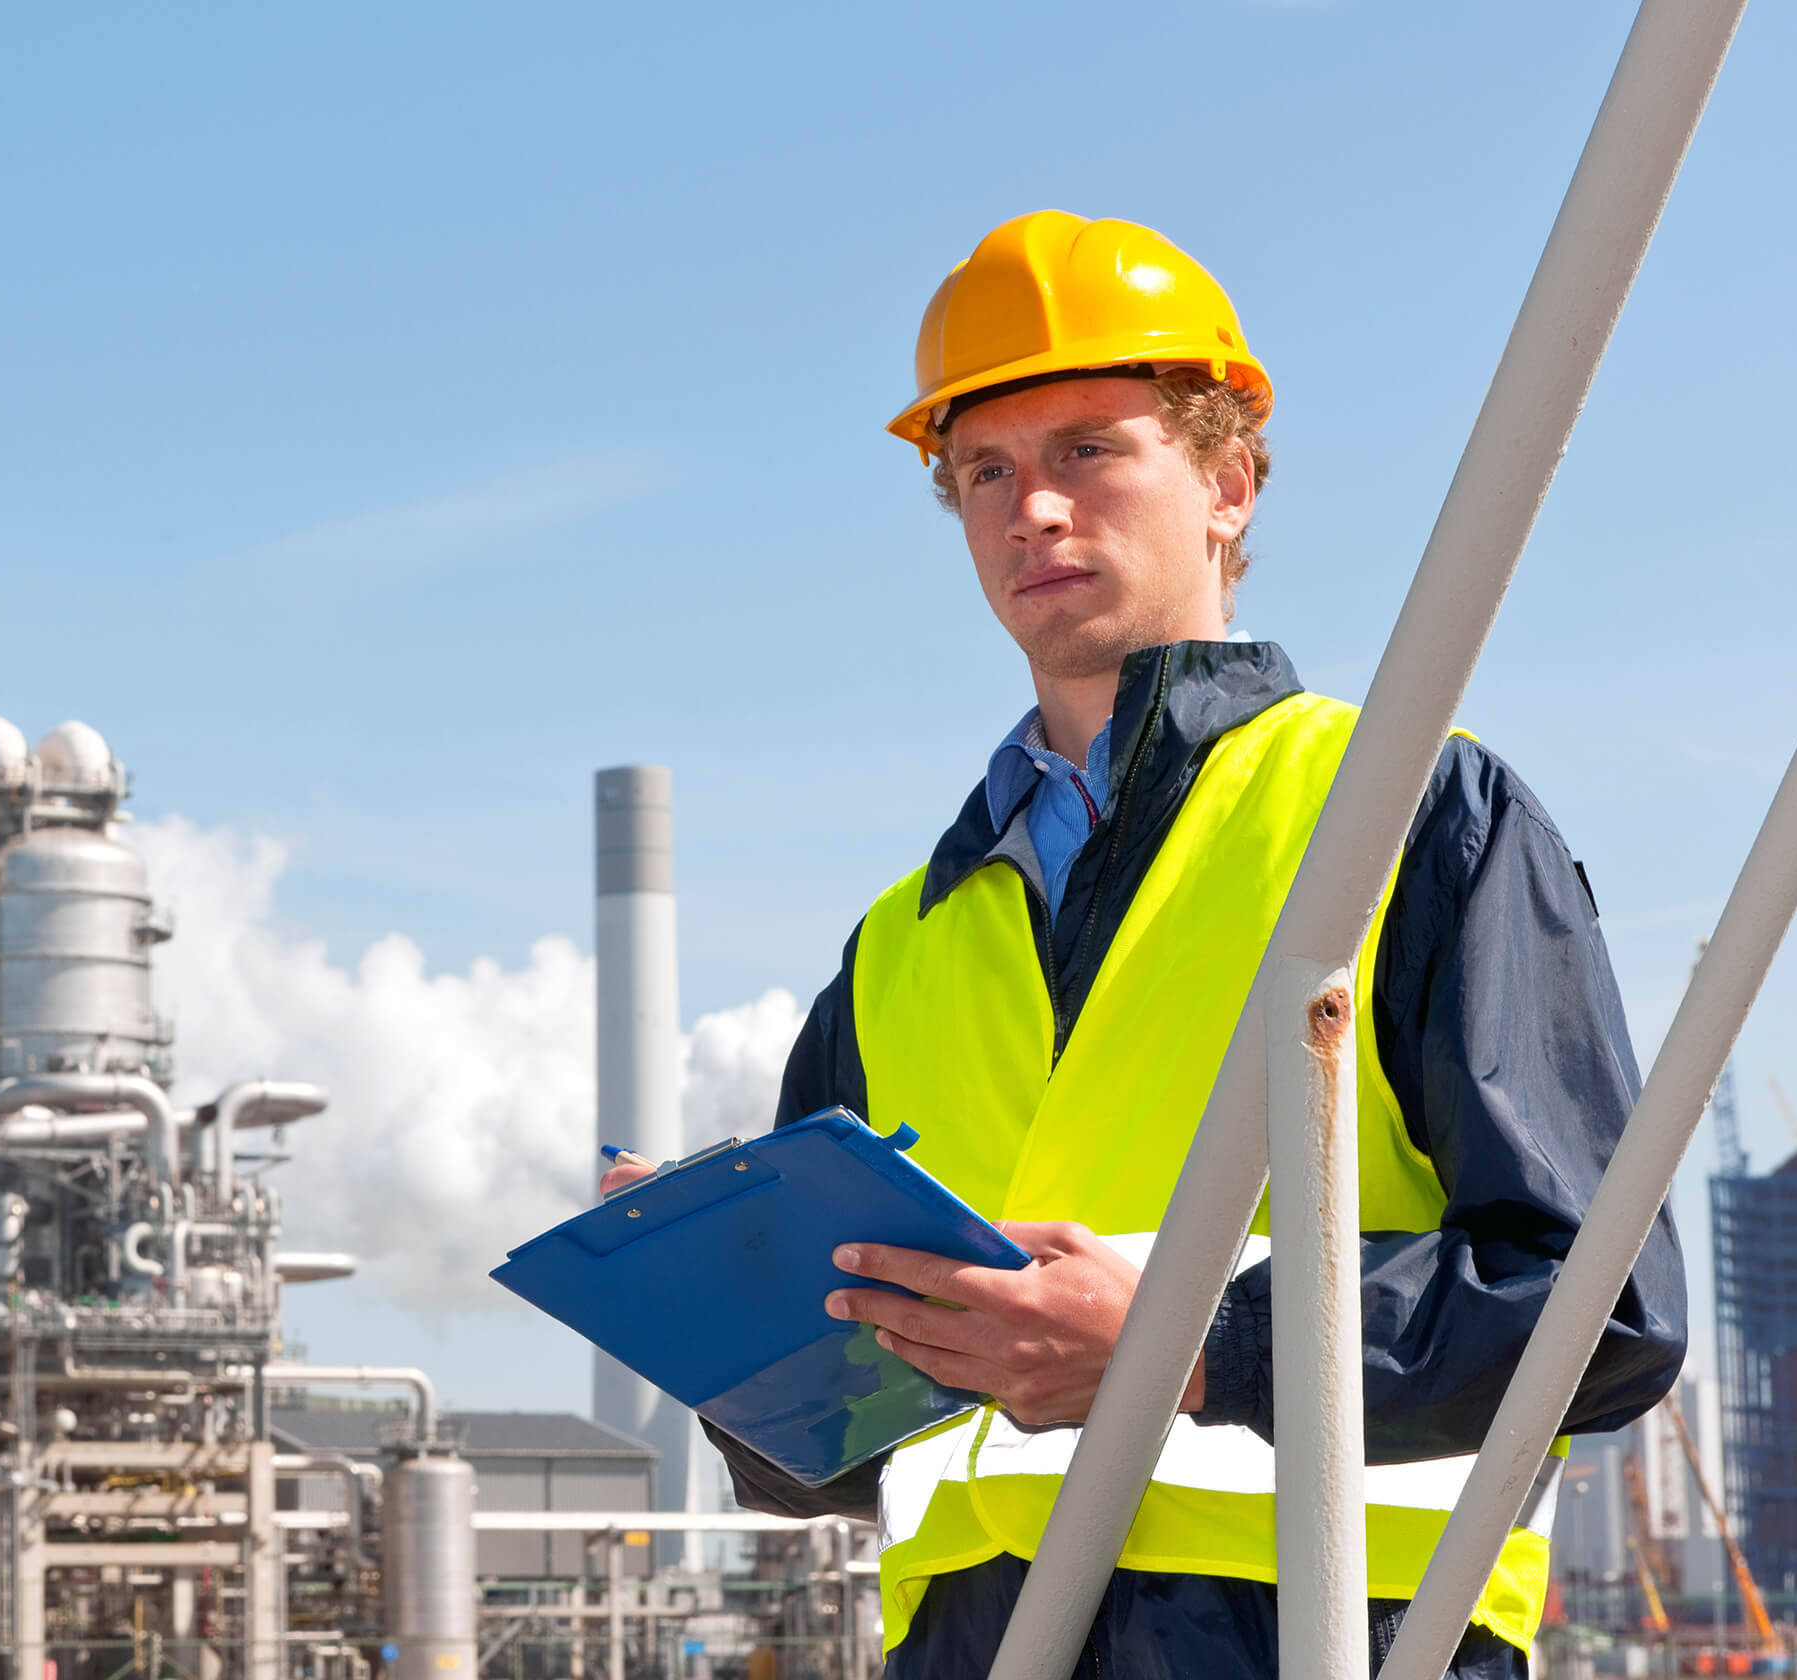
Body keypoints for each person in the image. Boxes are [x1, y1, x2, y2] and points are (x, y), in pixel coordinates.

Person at [600, 211, 1686, 1678]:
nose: (1028, 509)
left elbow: (1602, 1308)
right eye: (984, 471)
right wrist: (725, 1310)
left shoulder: (1408, 810)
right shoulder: (896, 947)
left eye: (1087, 450)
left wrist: (1198, 1349)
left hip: (1334, 1640)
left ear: (1230, 484)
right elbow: (826, 1465)